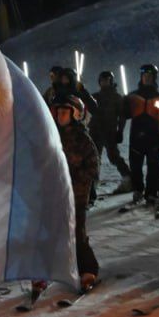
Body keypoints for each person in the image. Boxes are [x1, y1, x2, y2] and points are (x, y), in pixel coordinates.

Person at [50, 94, 100, 290]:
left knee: (78, 232)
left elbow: (93, 167)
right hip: (58, 192)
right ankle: (63, 267)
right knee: (59, 231)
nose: (60, 116)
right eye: (59, 113)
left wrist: (79, 180)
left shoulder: (82, 139)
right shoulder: (54, 135)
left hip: (77, 194)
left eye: (64, 113)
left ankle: (89, 269)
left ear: (75, 114)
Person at [119, 63, 159, 206]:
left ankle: (151, 193)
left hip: (153, 138)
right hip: (136, 137)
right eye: (144, 76)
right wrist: (119, 131)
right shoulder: (133, 96)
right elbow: (124, 115)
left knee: (153, 167)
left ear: (154, 78)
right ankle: (138, 190)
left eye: (150, 76)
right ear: (141, 77)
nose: (147, 78)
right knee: (136, 166)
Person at [89, 71, 132, 196]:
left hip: (109, 131)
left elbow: (122, 116)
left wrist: (120, 131)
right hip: (95, 131)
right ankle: (92, 183)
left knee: (113, 156)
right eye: (102, 80)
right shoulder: (95, 96)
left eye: (107, 80)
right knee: (94, 158)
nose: (104, 83)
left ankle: (128, 178)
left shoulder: (116, 98)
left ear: (111, 81)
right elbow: (86, 105)